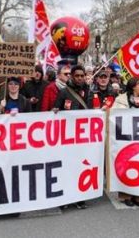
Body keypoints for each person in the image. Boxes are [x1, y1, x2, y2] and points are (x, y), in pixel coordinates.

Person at [53, 65, 89, 209]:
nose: (80, 78)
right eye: (77, 76)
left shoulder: (89, 91)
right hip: (67, 137)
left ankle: (80, 196)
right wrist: (55, 110)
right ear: (72, 77)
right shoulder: (63, 92)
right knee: (67, 166)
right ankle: (65, 197)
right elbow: (56, 109)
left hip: (84, 137)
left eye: (82, 76)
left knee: (81, 166)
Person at [112, 77, 139, 207]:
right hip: (126, 138)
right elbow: (114, 116)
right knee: (126, 165)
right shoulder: (121, 100)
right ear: (133, 86)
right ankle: (126, 195)